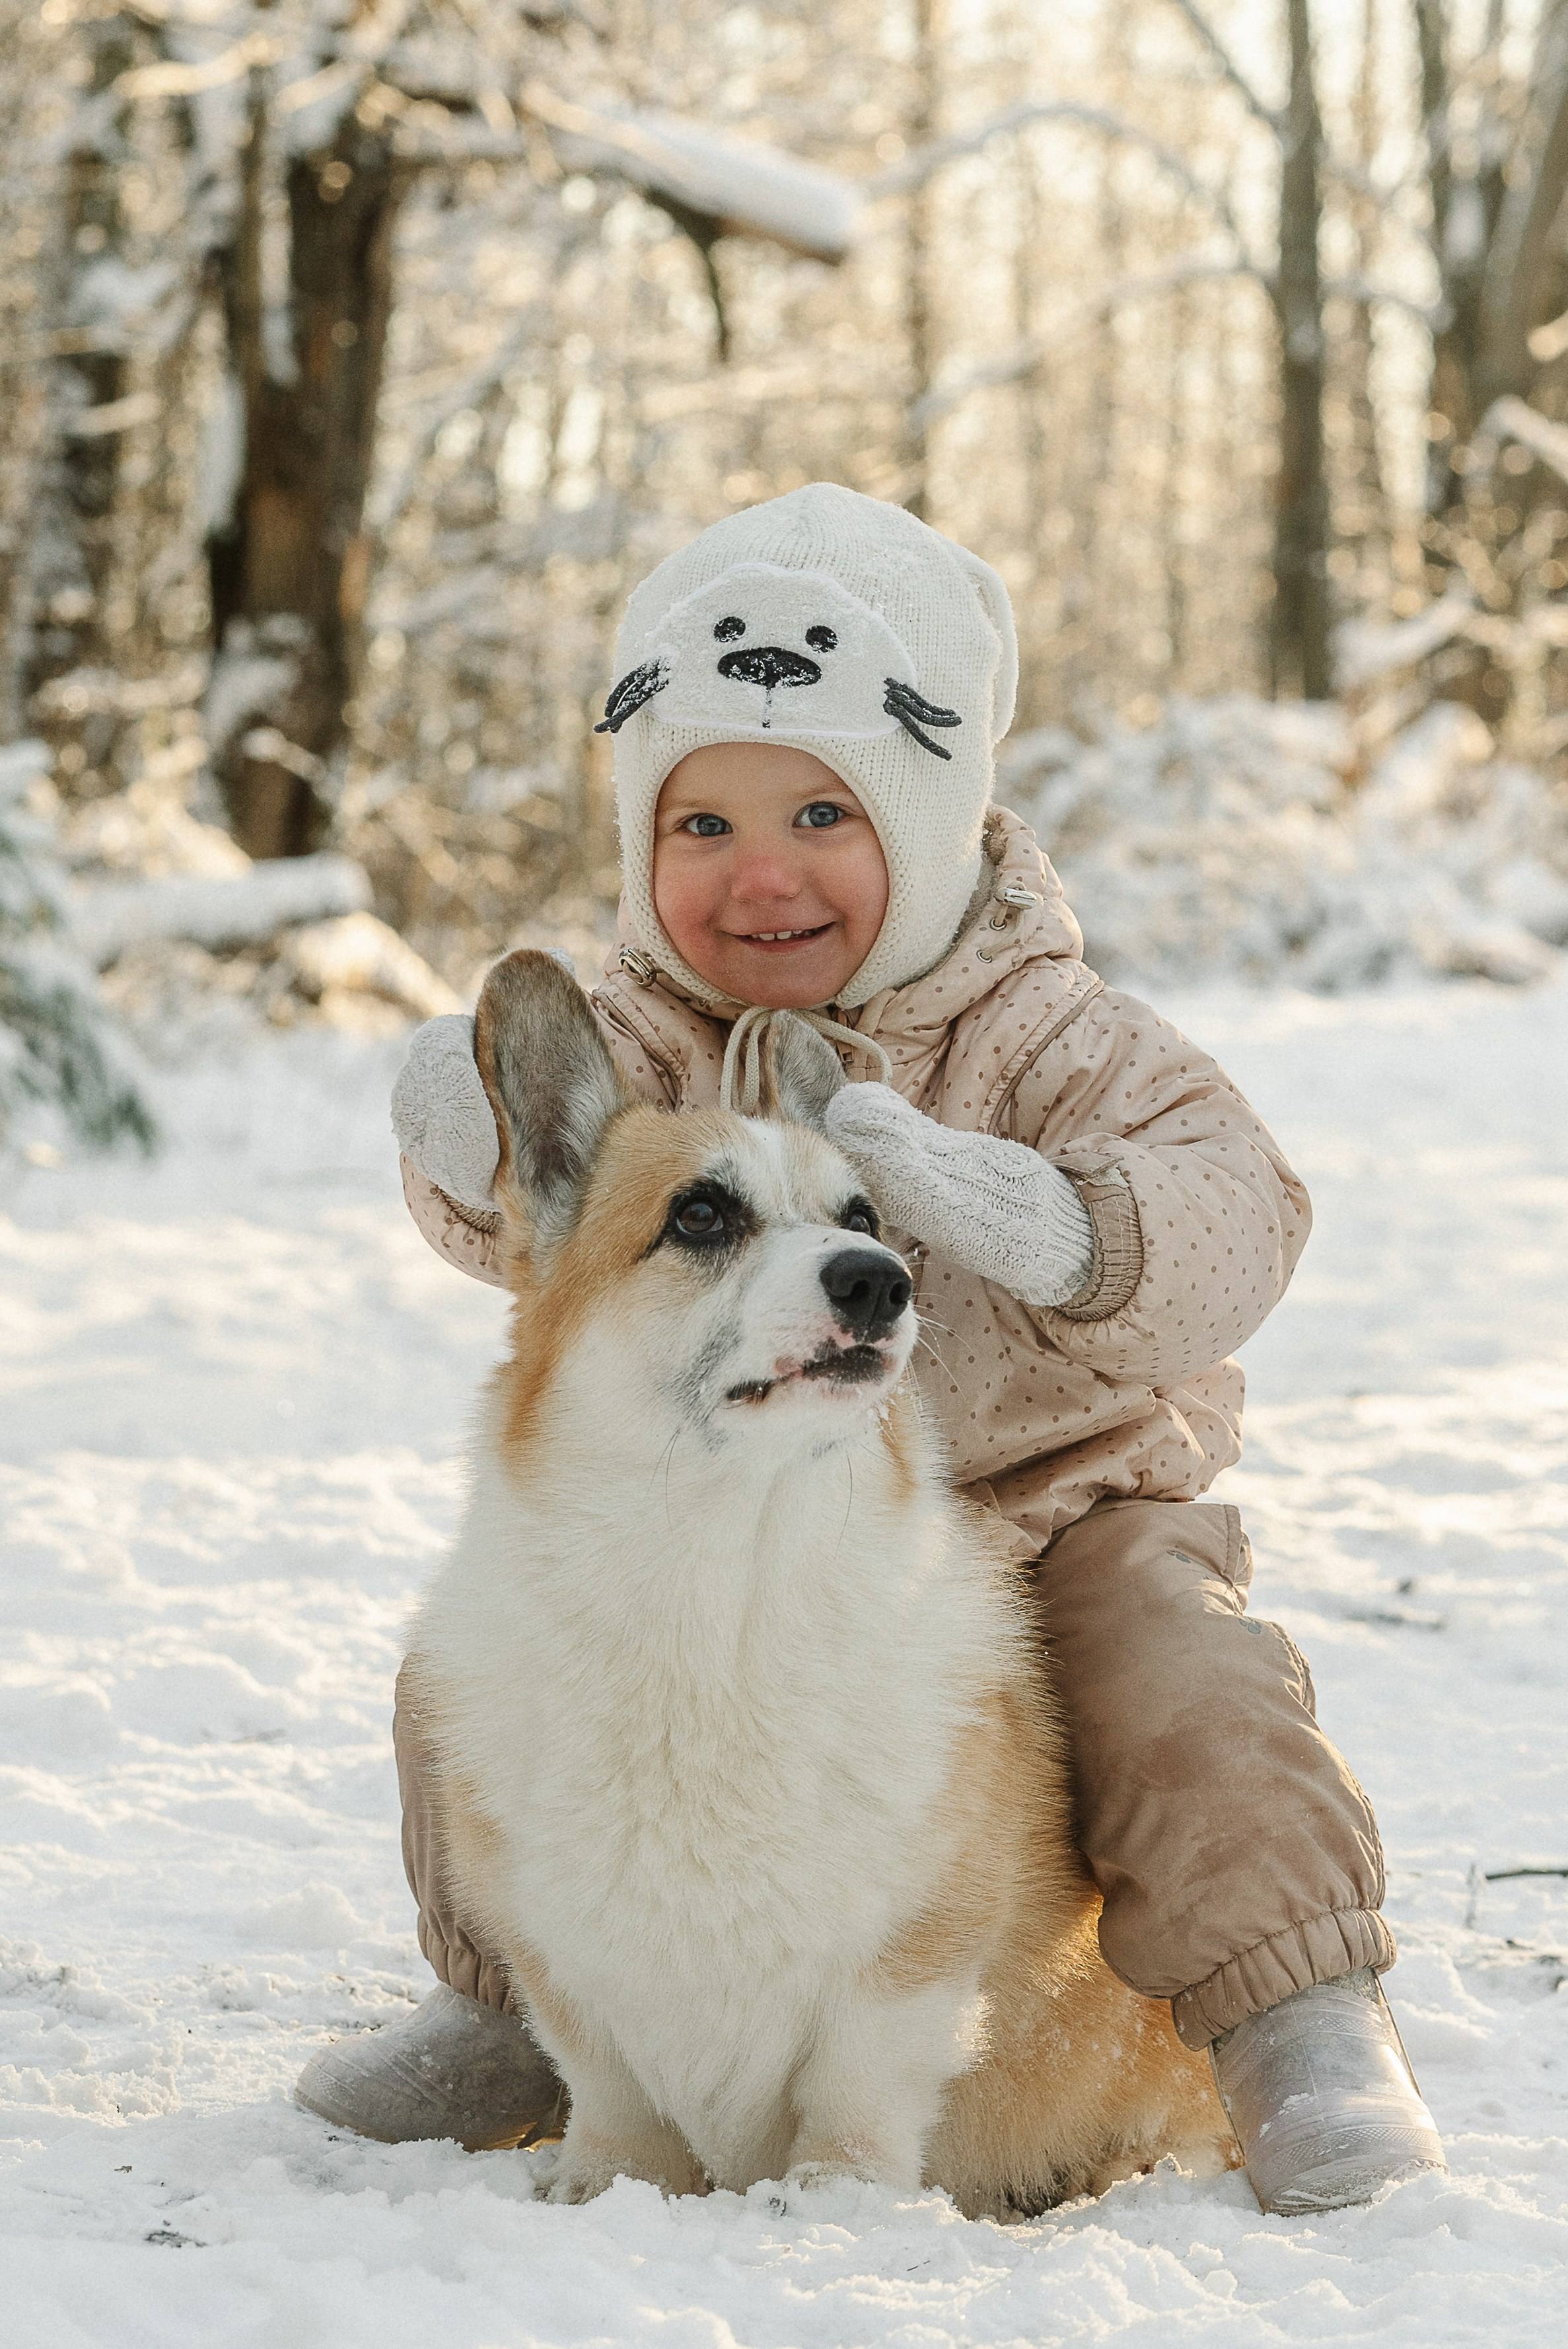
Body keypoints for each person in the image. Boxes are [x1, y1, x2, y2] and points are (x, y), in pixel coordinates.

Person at [295, 485, 1444, 2214]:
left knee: (1183, 1687)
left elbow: (1243, 1214)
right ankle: (520, 2008)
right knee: (479, 1667)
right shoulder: (643, 1033)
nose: (761, 873)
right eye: (702, 822)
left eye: (823, 812)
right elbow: (552, 1249)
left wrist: (1049, 1219)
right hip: (749, 1504)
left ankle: (1295, 2011)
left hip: (1055, 1511)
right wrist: (471, 1152)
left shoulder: (1052, 1029)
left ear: (935, 814)